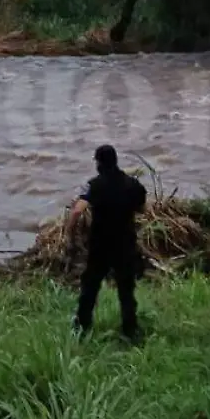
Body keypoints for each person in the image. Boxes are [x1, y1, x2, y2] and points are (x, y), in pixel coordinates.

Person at [67, 144, 148, 341]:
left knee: (90, 286)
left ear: (99, 163)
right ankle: (130, 330)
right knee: (126, 289)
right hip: (125, 244)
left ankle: (82, 326)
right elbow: (143, 209)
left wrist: (70, 233)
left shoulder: (94, 184)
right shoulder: (132, 184)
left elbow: (77, 210)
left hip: (100, 245)